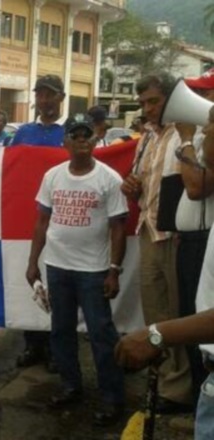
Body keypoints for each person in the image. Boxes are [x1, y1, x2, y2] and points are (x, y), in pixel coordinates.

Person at [27, 115, 127, 426]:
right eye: (75, 135)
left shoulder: (109, 179)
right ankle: (71, 386)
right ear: (65, 142)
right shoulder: (53, 176)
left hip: (93, 271)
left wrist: (113, 270)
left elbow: (118, 228)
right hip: (57, 267)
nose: (82, 140)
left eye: (87, 135)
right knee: (61, 331)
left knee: (100, 334)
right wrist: (33, 263)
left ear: (95, 140)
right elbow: (42, 221)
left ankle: (112, 399)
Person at [120, 72, 193, 414]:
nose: (148, 109)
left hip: (178, 235)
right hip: (149, 230)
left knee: (178, 310)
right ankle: (165, 376)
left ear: (170, 99)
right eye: (143, 103)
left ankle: (179, 388)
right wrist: (130, 186)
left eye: (154, 101)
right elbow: (142, 182)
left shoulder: (189, 132)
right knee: (155, 309)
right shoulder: (146, 136)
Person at [10, 74, 67, 371]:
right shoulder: (23, 133)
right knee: (31, 282)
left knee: (59, 286)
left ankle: (58, 348)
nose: (44, 100)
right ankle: (33, 344)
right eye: (40, 95)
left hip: (64, 221)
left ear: (61, 98)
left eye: (50, 95)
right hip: (27, 219)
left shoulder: (72, 132)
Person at [169, 68, 214, 406]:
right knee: (189, 311)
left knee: (199, 321)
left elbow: (196, 187)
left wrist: (186, 141)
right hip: (191, 244)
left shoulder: (197, 141)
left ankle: (203, 393)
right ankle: (201, 394)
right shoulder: (201, 140)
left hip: (200, 243)